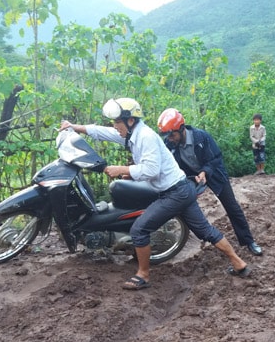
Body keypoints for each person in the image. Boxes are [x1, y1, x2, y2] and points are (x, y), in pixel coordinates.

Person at [59, 98, 251, 290]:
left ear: (130, 121)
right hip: (182, 189)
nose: (114, 126)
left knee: (139, 230)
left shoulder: (146, 137)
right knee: (205, 231)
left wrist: (123, 170)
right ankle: (239, 263)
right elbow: (105, 132)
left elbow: (151, 170)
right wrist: (74, 127)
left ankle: (143, 275)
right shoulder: (131, 134)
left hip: (174, 193)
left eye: (117, 122)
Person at [157, 108, 264, 256]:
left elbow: (215, 158)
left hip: (214, 173)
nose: (170, 139)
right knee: (182, 203)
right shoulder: (169, 144)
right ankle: (182, 239)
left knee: (232, 207)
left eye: (172, 135)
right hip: (191, 177)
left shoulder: (201, 137)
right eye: (167, 136)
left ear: (181, 129)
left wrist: (205, 171)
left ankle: (248, 241)